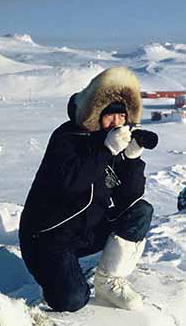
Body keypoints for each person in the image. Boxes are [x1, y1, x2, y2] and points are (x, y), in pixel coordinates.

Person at [19, 67, 154, 312]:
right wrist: (106, 152)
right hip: (49, 237)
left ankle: (108, 281)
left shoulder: (113, 144)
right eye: (109, 116)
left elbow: (129, 199)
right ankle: (54, 280)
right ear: (95, 114)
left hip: (86, 231)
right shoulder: (67, 138)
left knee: (140, 211)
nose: (116, 123)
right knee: (73, 300)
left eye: (121, 116)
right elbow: (71, 183)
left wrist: (132, 159)